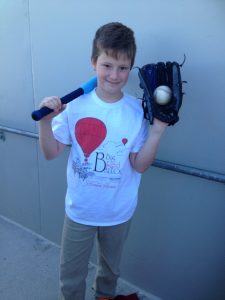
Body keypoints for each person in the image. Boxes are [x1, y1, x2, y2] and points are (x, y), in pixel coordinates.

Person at [38, 22, 167, 300]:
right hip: (80, 210)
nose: (114, 75)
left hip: (118, 211)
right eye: (107, 65)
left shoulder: (136, 111)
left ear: (130, 67)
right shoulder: (76, 106)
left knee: (110, 272)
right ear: (93, 62)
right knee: (71, 277)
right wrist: (46, 124)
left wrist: (157, 130)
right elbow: (51, 153)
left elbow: (139, 165)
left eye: (123, 67)